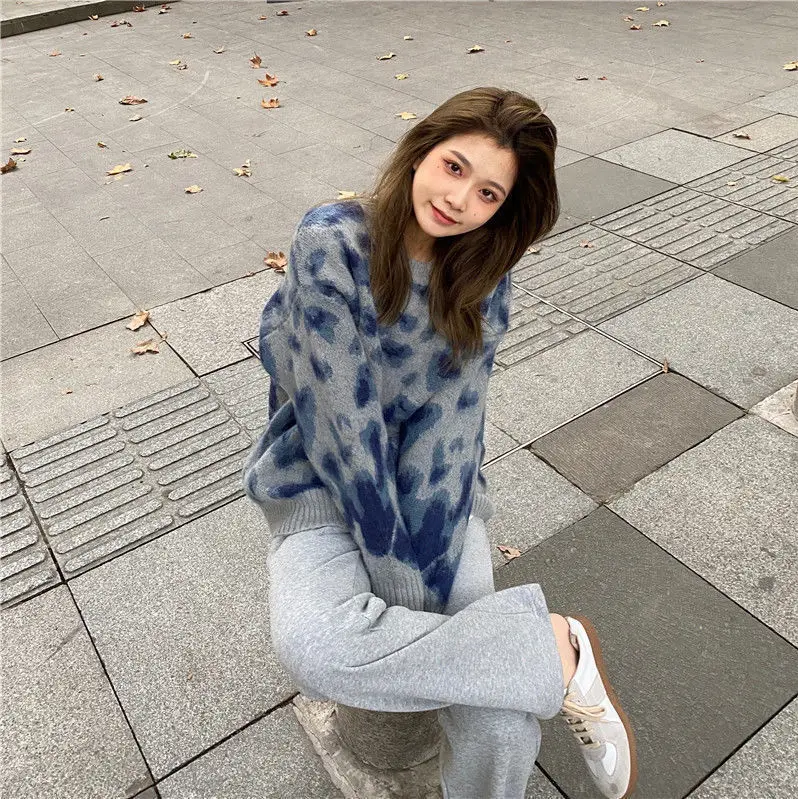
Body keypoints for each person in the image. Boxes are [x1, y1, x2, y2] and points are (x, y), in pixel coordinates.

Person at [242, 86, 637, 799]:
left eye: (488, 193)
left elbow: (451, 428)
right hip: (318, 486)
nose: (459, 200)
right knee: (316, 648)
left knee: (501, 726)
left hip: (441, 491)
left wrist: (422, 565)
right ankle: (553, 646)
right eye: (454, 167)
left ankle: (547, 659)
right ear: (421, 150)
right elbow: (342, 427)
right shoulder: (333, 241)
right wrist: (398, 577)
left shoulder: (483, 279)